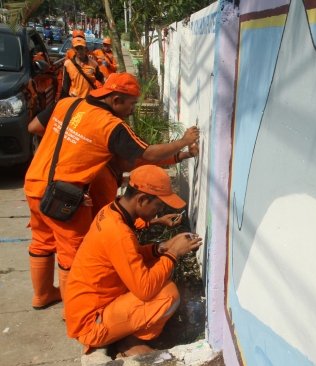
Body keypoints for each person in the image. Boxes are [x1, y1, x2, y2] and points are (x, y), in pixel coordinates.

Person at [24, 72, 200, 312]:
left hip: (35, 183)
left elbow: (33, 127)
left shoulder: (68, 102)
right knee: (71, 255)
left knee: (41, 242)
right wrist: (183, 142)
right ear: (116, 99)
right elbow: (146, 154)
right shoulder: (110, 125)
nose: (132, 110)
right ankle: (73, 312)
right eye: (131, 104)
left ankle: (42, 295)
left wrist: (71, 143)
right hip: (66, 196)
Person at [65, 165, 202, 356]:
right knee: (168, 295)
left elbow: (130, 254)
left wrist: (161, 247)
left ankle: (123, 333)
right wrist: (173, 254)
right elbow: (145, 289)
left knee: (158, 271)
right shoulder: (119, 233)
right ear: (143, 199)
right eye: (158, 205)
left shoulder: (111, 212)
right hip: (90, 324)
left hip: (88, 307)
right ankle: (130, 341)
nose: (159, 211)